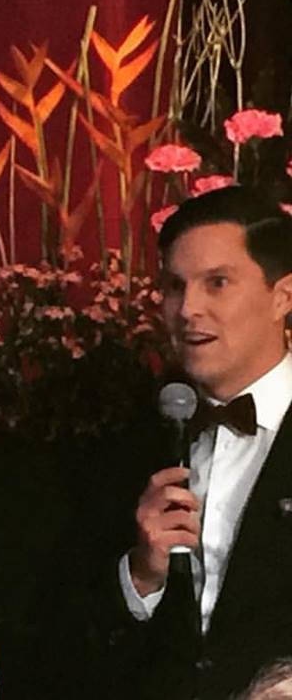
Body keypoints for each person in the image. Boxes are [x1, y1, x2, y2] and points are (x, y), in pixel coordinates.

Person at [51, 186, 292, 699]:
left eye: (217, 283)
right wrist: (141, 576)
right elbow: (64, 634)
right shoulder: (129, 442)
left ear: (283, 297)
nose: (188, 309)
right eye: (175, 287)